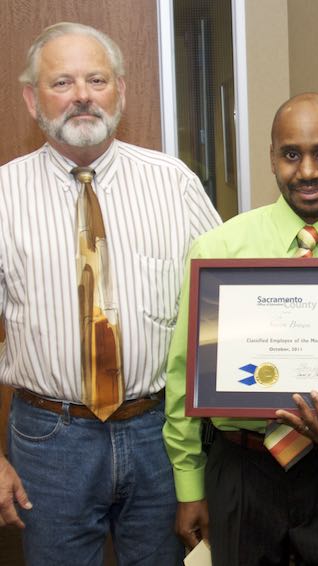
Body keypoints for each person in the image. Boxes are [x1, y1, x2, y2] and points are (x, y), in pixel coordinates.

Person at [0, 22, 220, 565]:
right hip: (49, 441)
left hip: (159, 434)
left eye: (96, 79)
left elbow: (221, 306)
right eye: (62, 82)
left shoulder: (175, 183)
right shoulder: (4, 194)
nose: (81, 96)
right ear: (32, 98)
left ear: (120, 89)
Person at [164, 92, 318, 566]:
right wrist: (189, 486)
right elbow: (182, 380)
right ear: (272, 158)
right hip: (240, 470)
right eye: (291, 154)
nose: (307, 171)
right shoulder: (218, 252)